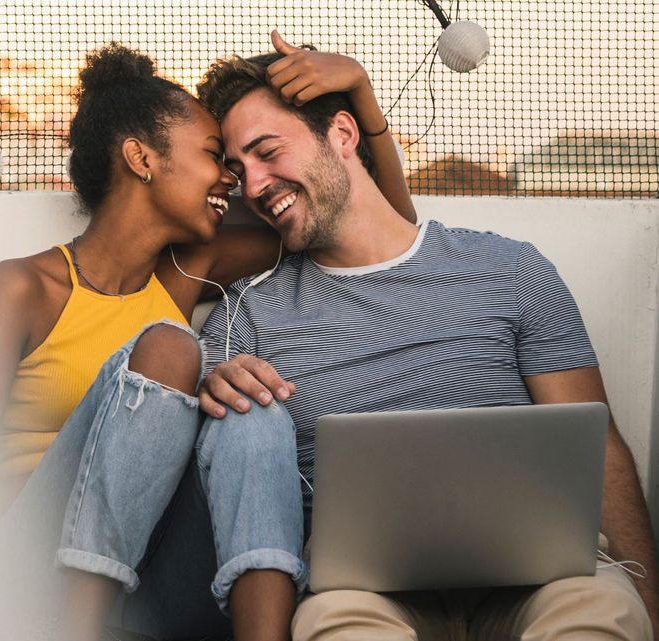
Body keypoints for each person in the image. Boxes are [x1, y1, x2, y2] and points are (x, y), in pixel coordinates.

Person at [191, 31, 659, 640]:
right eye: (238, 169)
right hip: (363, 596)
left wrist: (650, 603)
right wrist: (210, 380)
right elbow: (217, 443)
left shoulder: (511, 269)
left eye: (267, 152)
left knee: (600, 619)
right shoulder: (247, 314)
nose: (252, 185)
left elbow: (600, 447)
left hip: (544, 584)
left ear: (342, 134)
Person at [0, 39, 414, 641]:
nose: (232, 179)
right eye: (216, 155)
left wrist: (360, 93)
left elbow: (375, 225)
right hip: (25, 562)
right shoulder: (21, 288)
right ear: (142, 158)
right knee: (170, 348)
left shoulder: (190, 269)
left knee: (250, 396)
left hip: (145, 568)